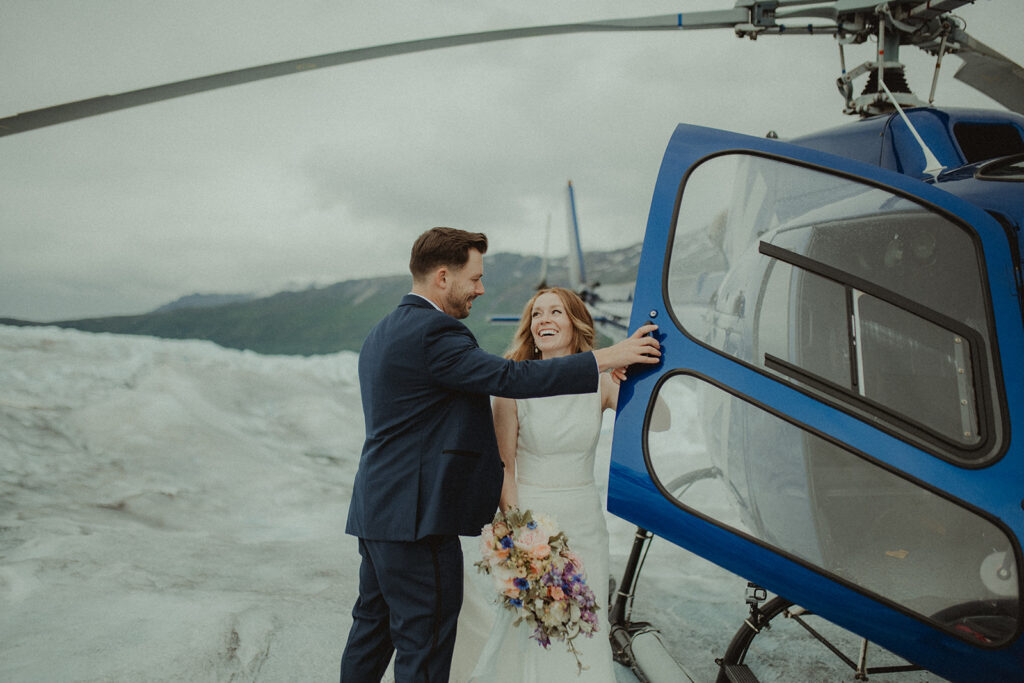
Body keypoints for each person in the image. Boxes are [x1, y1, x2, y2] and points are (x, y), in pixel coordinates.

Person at [340, 228, 660, 683]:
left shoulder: (383, 330)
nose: (481, 289)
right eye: (475, 278)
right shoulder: (435, 332)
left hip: (377, 512)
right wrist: (609, 356)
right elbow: (510, 378)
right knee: (425, 642)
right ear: (444, 276)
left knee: (370, 633)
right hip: (416, 520)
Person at [455, 287, 634, 682]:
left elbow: (659, 422)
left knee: (589, 628)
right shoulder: (511, 383)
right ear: (530, 328)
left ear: (575, 323)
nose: (544, 320)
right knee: (537, 632)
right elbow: (505, 464)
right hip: (535, 524)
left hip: (586, 521)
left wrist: (636, 378)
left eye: (556, 312)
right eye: (537, 314)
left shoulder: (601, 382)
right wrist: (522, 534)